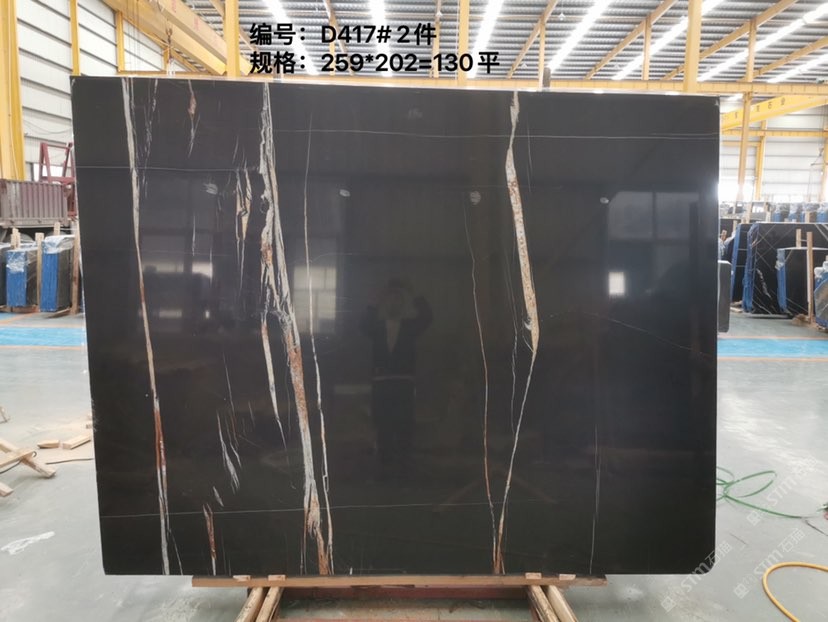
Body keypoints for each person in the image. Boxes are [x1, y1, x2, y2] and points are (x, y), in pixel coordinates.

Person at [359, 279, 432, 480]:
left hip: (403, 383)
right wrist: (376, 299)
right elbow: (363, 324)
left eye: (398, 300)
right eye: (390, 300)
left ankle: (404, 469)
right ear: (385, 304)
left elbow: (427, 317)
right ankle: (384, 469)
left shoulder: (410, 327)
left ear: (403, 305)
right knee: (383, 425)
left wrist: (413, 292)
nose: (393, 303)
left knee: (404, 425)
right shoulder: (376, 328)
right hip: (382, 383)